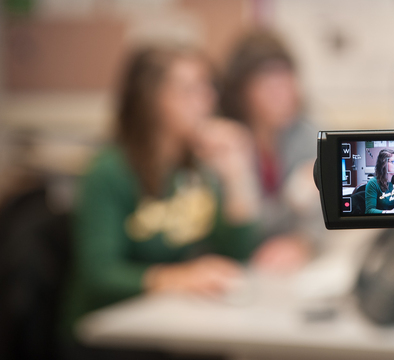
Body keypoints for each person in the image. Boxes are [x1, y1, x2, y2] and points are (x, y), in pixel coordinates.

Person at [61, 44, 263, 349]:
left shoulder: (196, 166)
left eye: (208, 87)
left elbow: (236, 254)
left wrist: (238, 176)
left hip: (168, 324)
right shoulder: (109, 171)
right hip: (110, 334)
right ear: (152, 99)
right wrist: (179, 277)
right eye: (190, 89)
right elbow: (99, 274)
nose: (208, 99)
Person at [218, 29, 317, 272]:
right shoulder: (225, 141)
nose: (283, 94)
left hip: (286, 273)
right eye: (268, 84)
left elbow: (324, 214)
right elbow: (243, 229)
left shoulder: (305, 133)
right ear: (241, 91)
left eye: (287, 80)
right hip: (233, 269)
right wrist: (291, 201)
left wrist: (304, 243)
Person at [365, 149, 394, 214]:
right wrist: (388, 212)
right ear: (384, 164)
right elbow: (369, 210)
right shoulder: (373, 183)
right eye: (393, 162)